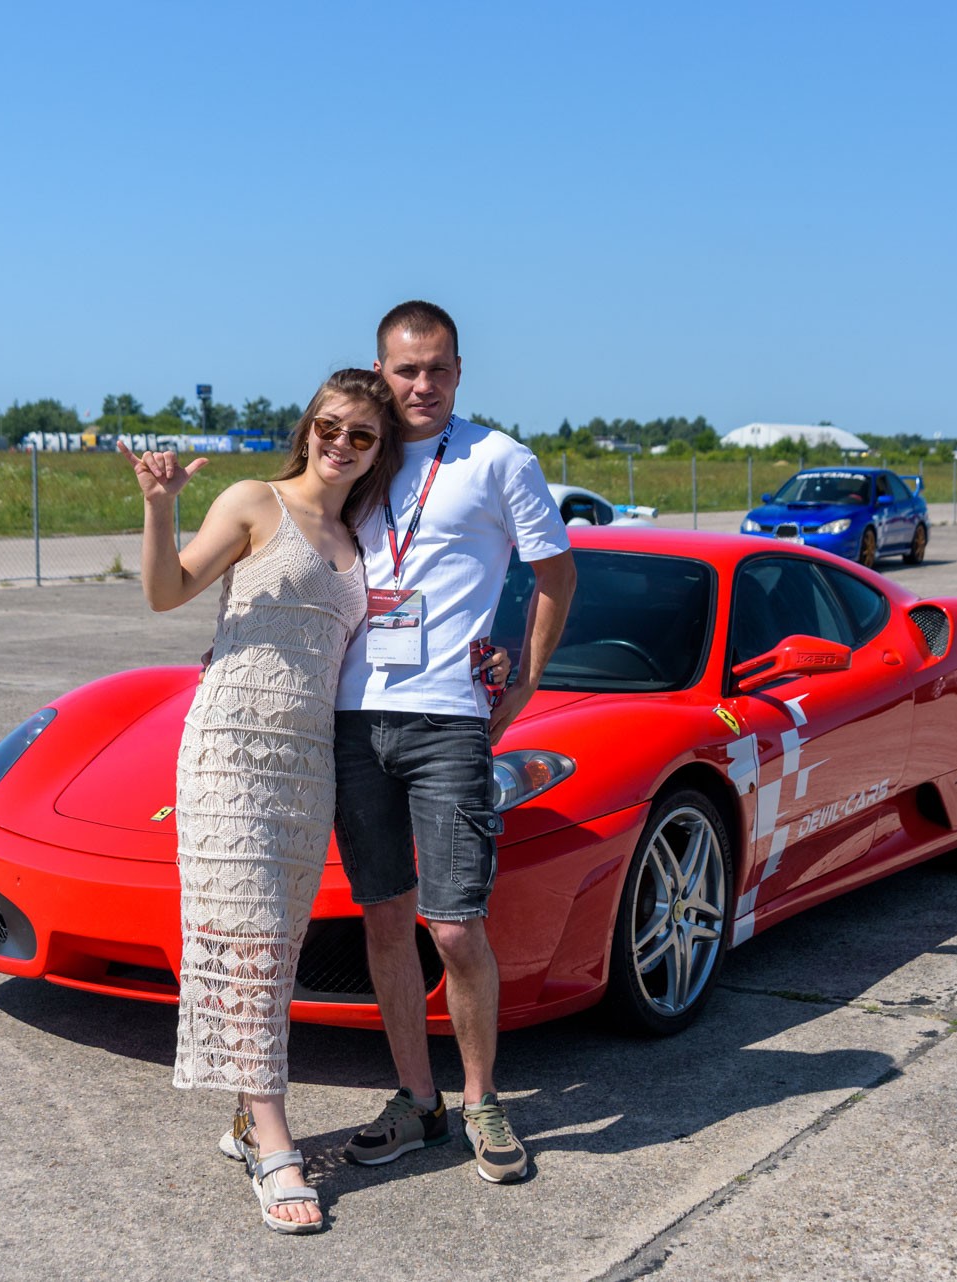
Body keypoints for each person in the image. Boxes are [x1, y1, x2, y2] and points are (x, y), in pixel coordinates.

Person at [120, 368, 400, 1234]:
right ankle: (275, 1142)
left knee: (276, 944)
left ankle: (246, 1118)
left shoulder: (363, 536)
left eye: (362, 435)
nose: (342, 444)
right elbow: (166, 592)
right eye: (331, 426)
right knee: (247, 934)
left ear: (378, 451)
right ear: (308, 426)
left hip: (307, 763)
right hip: (230, 750)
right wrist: (159, 507)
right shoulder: (254, 501)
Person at [333, 301, 576, 1185]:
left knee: (456, 926)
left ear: (460, 371)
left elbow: (557, 575)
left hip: (448, 722)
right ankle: (416, 1101)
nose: (422, 384)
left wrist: (525, 681)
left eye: (438, 368)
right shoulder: (354, 455)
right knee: (384, 921)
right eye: (406, 370)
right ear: (381, 371)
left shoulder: (499, 459)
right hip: (353, 719)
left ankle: (482, 1100)